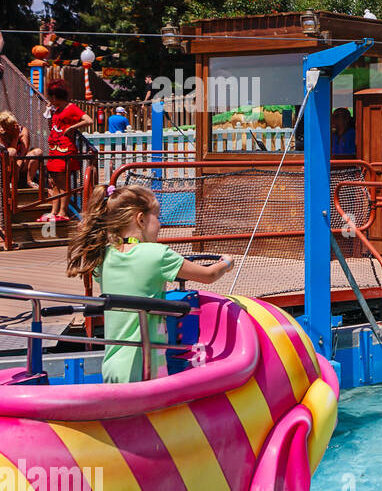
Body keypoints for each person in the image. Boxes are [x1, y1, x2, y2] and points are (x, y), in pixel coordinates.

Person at [65, 185, 232, 383]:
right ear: (141, 219)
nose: (160, 224)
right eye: (157, 217)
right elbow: (209, 275)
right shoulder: (157, 254)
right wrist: (226, 263)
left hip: (113, 365)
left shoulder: (105, 256)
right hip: (144, 365)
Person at [44, 80, 93, 222]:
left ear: (56, 96)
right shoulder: (57, 110)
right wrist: (49, 113)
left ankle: (63, 212)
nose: (51, 100)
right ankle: (54, 211)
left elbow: (88, 120)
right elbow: (52, 127)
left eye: (52, 96)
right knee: (54, 182)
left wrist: (73, 127)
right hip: (54, 148)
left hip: (65, 149)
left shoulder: (71, 108)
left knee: (63, 182)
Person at [0, 110, 41, 188]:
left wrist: (17, 169)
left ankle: (29, 181)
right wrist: (15, 138)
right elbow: (7, 153)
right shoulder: (2, 133)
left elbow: (22, 154)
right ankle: (8, 182)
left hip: (20, 162)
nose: (15, 127)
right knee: (11, 151)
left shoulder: (22, 131)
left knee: (37, 152)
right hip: (6, 164)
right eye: (10, 127)